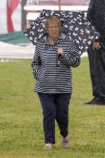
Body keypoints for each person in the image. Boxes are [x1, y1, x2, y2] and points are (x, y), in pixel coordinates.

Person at [31, 15, 81, 149]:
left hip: (63, 87)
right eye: (51, 27)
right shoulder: (41, 44)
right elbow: (35, 63)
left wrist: (64, 56)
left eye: (56, 27)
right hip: (44, 86)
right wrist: (39, 74)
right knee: (49, 112)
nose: (54, 29)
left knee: (61, 114)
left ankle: (64, 135)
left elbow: (76, 62)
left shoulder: (68, 43)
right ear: (47, 29)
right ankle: (48, 142)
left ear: (60, 28)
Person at [82, 0, 105, 106]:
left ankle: (101, 97)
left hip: (97, 41)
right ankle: (97, 95)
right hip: (94, 39)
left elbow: (100, 22)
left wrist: (96, 39)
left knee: (98, 69)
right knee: (94, 68)